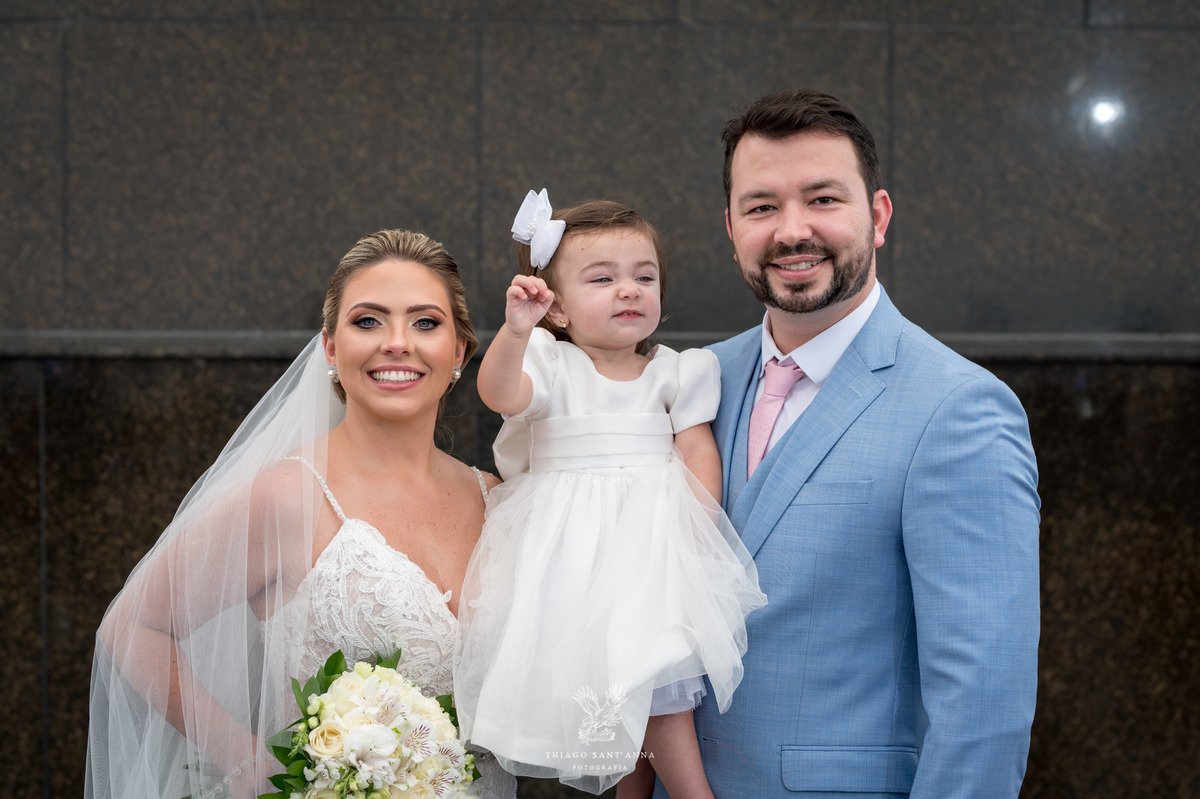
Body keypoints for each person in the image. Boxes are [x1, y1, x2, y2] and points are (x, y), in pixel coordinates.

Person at [652, 89, 1042, 798]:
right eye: (762, 206)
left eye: (823, 199)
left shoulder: (959, 410)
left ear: (879, 215)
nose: (792, 230)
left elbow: (982, 706)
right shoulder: (687, 379)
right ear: (731, 227)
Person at [85, 230, 517, 799]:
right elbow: (131, 626)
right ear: (331, 349)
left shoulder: (499, 500)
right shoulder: (290, 495)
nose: (396, 343)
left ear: (460, 351)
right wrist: (244, 762)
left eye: (425, 322)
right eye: (367, 321)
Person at [453, 193, 767, 797]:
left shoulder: (678, 371)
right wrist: (517, 331)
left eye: (643, 277)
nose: (629, 289)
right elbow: (499, 394)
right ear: (559, 310)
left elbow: (697, 450)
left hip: (651, 548)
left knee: (653, 672)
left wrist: (698, 533)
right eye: (603, 279)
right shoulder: (548, 363)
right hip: (573, 557)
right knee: (627, 684)